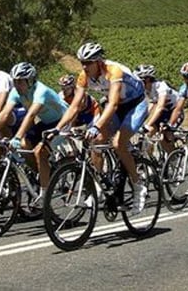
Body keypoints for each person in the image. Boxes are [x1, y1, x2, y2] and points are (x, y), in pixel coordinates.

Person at [55, 42, 148, 214]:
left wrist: (96, 125)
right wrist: (58, 128)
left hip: (135, 105)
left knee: (119, 143)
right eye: (82, 62)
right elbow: (74, 106)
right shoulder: (84, 76)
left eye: (88, 62)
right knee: (96, 142)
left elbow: (111, 104)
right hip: (118, 106)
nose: (84, 66)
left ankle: (138, 184)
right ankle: (98, 187)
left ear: (98, 61)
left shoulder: (114, 71)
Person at [0, 62, 68, 197]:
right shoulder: (16, 92)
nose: (17, 85)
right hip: (47, 122)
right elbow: (4, 113)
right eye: (15, 82)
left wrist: (17, 136)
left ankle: (45, 194)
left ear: (30, 81)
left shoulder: (41, 91)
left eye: (20, 82)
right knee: (24, 145)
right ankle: (42, 174)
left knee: (40, 151)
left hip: (63, 121)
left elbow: (31, 115)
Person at [139, 64, 181, 156]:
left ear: (147, 79)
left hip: (175, 112)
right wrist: (141, 120)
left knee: (165, 136)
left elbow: (160, 107)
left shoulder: (161, 86)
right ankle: (148, 161)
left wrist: (148, 124)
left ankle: (175, 160)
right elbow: (151, 104)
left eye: (140, 79)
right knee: (148, 134)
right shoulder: (146, 89)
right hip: (164, 113)